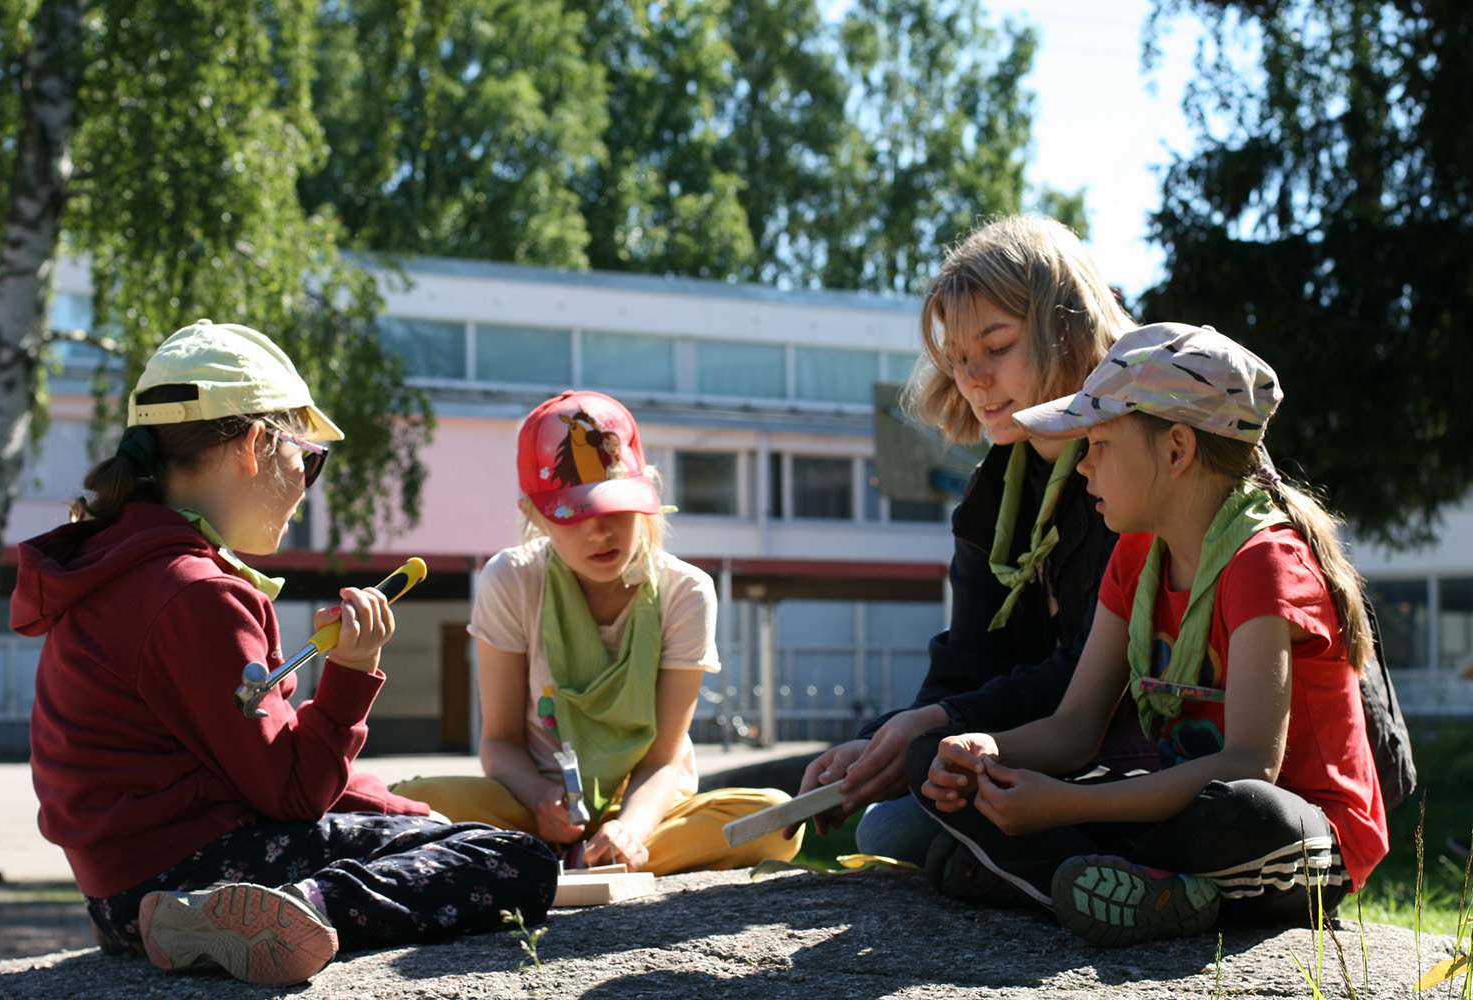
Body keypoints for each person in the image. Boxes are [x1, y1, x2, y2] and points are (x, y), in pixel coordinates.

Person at [15, 320, 558, 986]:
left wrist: (400, 812)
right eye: (307, 458)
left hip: (121, 897)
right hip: (203, 868)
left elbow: (255, 767)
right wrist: (352, 675)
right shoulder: (196, 594)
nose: (306, 485)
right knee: (514, 860)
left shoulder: (116, 566)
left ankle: (221, 917)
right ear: (253, 444)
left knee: (431, 828)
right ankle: (302, 907)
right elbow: (292, 792)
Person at [908, 322, 1389, 947]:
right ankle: (1143, 890)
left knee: (1242, 815)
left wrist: (1067, 807)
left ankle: (1060, 879)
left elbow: (1251, 765)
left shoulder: (1264, 563)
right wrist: (986, 752)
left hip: (1291, 830)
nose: (1082, 468)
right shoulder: (1135, 555)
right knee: (932, 757)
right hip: (1173, 806)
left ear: (1177, 450)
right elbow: (1075, 727)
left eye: (1099, 444)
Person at [795, 214, 1139, 866]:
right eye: (957, 360)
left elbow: (1098, 679)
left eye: (998, 346)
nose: (974, 380)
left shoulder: (1127, 463)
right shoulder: (994, 490)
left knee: (901, 829)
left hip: (1140, 744)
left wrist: (938, 728)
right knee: (887, 823)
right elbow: (968, 665)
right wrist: (880, 745)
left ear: (1069, 328)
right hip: (1044, 746)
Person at [390, 390, 801, 874]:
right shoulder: (511, 579)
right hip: (533, 810)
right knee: (411, 801)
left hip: (651, 813)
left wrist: (631, 830)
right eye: (573, 514)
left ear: (647, 491)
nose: (600, 532)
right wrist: (542, 799)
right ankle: (581, 860)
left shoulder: (685, 590)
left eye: (616, 509)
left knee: (776, 817)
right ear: (533, 513)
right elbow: (499, 743)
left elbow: (664, 761)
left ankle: (561, 863)